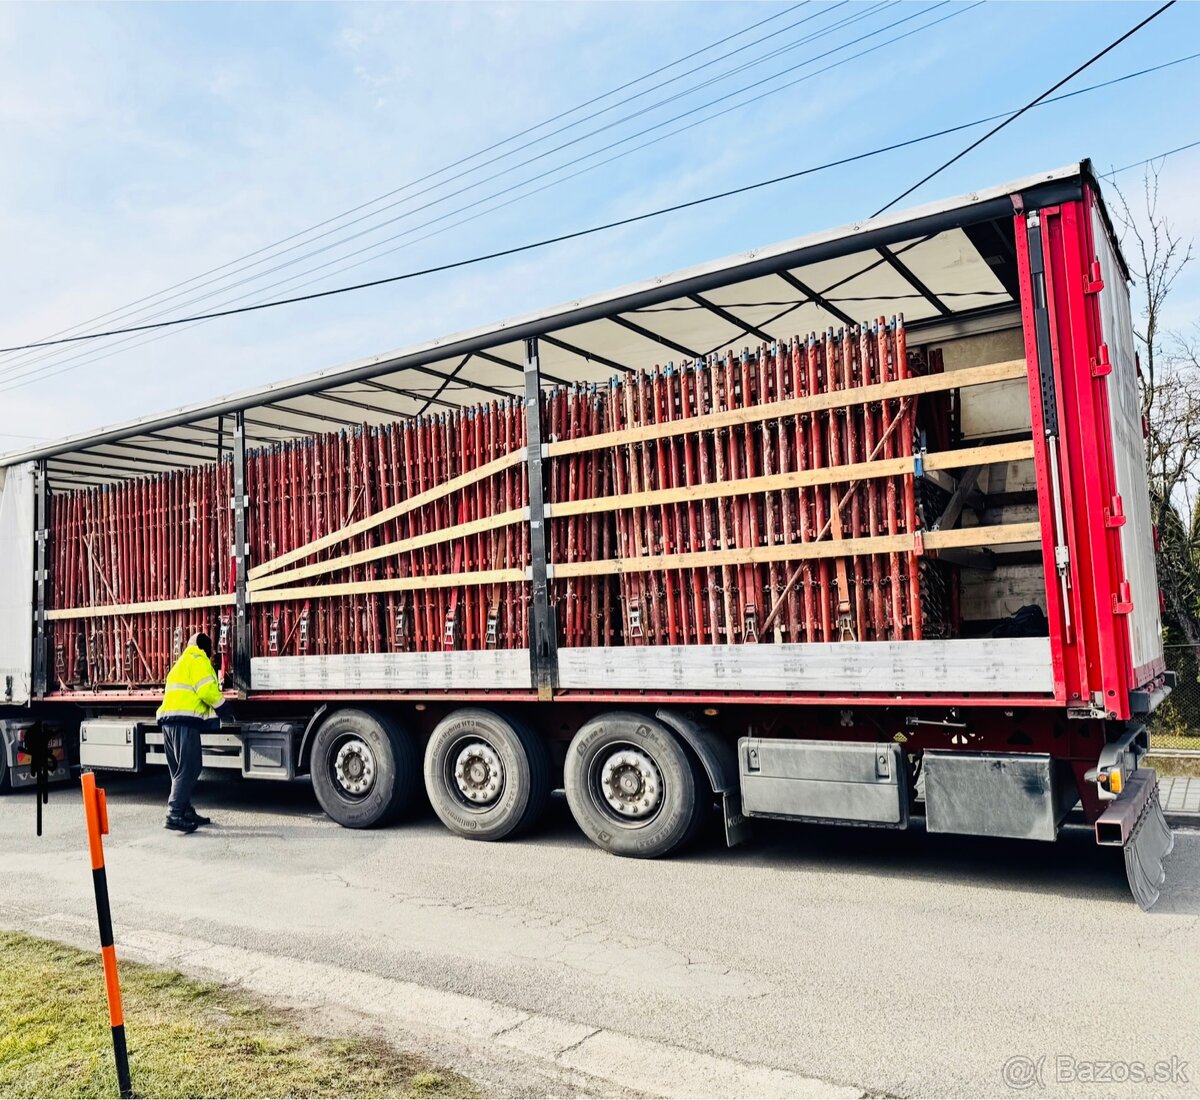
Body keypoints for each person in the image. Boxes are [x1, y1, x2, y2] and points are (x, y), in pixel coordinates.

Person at [156, 631, 226, 833]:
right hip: (184, 723)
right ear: (206, 648)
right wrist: (224, 708)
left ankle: (185, 810)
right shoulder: (198, 660)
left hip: (169, 722)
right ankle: (174, 814)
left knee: (179, 771)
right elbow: (206, 691)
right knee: (191, 768)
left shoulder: (180, 663)